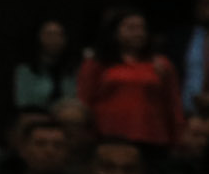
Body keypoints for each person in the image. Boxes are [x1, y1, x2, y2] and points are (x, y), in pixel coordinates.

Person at [78, 10, 184, 151]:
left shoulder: (161, 64)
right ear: (114, 32)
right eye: (131, 28)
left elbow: (173, 104)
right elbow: (84, 102)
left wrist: (179, 136)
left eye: (142, 28)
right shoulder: (97, 63)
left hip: (153, 137)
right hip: (108, 135)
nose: (138, 33)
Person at [11, 17, 79, 117]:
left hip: (67, 117)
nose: (54, 39)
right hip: (35, 117)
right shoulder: (25, 70)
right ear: (39, 37)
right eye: (49, 34)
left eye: (59, 35)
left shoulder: (74, 70)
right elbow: (23, 102)